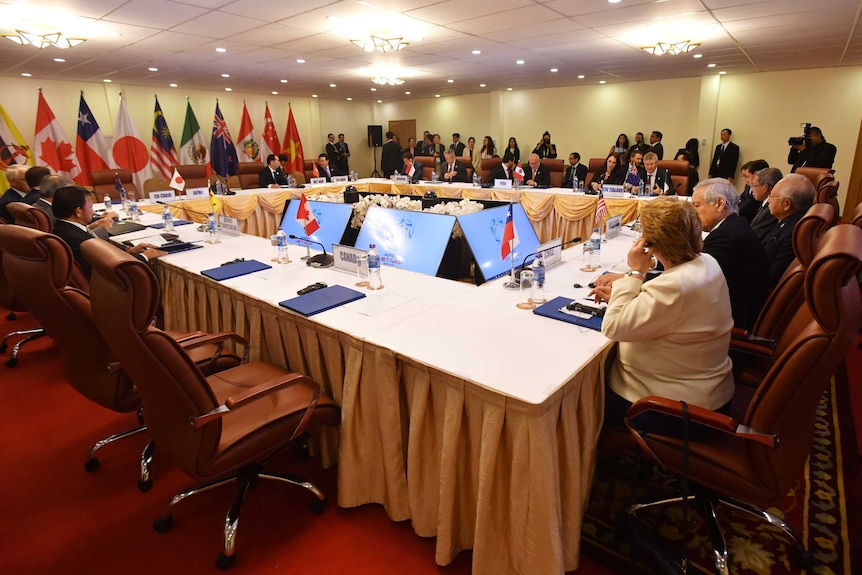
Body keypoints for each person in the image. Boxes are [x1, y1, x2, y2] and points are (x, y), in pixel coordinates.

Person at [590, 198, 734, 431]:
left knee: (589, 390)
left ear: (650, 242)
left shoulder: (673, 286)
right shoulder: (707, 262)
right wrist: (624, 292)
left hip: (670, 407)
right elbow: (670, 304)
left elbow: (614, 327)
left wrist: (636, 272)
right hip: (707, 390)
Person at [691, 178, 769, 330]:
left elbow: (693, 279)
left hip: (729, 324)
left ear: (720, 204)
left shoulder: (727, 236)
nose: (693, 213)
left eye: (697, 206)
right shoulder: (734, 225)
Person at [51, 186, 162, 279]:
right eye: (90, 207)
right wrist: (143, 257)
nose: (93, 211)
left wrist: (130, 251)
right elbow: (107, 270)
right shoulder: (78, 240)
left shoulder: (61, 228)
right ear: (78, 211)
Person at [761, 173, 816, 288]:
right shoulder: (789, 220)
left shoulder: (792, 233)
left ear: (786, 204)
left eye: (772, 196)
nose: (768, 200)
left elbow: (772, 278)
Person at [743, 167, 781, 240]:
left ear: (765, 187)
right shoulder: (764, 203)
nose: (752, 190)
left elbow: (754, 235)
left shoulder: (771, 209)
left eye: (754, 185)